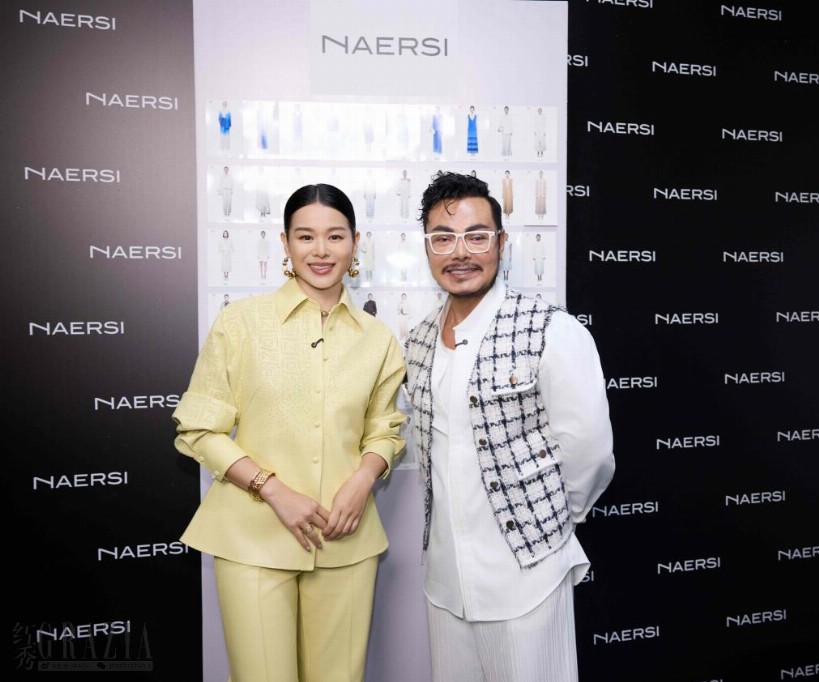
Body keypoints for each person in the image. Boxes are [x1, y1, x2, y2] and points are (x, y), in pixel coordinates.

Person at [172, 183, 407, 682]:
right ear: (285, 243)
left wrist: (363, 479)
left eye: (335, 236)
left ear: (355, 242)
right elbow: (199, 428)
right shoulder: (241, 323)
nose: (321, 250)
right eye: (305, 236)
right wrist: (272, 490)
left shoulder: (378, 339)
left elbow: (384, 429)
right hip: (252, 536)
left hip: (345, 538)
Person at [404, 171, 615, 681]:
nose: (460, 252)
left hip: (528, 580)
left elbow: (589, 452)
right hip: (446, 585)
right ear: (427, 247)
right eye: (443, 238)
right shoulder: (418, 340)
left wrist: (547, 522)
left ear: (502, 243)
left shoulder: (551, 330)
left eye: (477, 236)